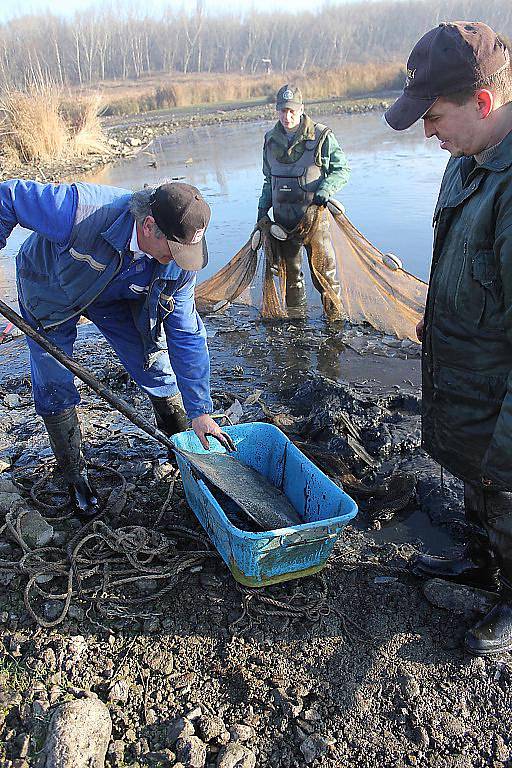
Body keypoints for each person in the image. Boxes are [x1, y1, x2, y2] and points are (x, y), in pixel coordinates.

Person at [385, 21, 512, 656]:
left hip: (501, 392)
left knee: (506, 483)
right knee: (475, 480)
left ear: (483, 103)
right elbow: (461, 262)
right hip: (465, 376)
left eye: (434, 117)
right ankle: (482, 561)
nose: (427, 132)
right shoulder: (466, 164)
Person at [0, 179, 234, 518]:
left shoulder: (180, 262)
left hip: (117, 294)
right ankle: (74, 475)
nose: (179, 260)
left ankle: (181, 441)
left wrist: (200, 410)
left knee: (153, 361)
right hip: (52, 287)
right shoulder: (82, 210)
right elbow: (9, 197)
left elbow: (185, 334)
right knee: (53, 378)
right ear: (149, 225)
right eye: (174, 249)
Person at [257, 84, 350, 312]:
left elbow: (342, 170)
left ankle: (335, 325)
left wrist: (326, 189)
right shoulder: (270, 140)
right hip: (283, 223)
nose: (287, 117)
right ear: (277, 111)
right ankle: (296, 327)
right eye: (282, 111)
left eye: (291, 111)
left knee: (325, 275)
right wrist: (262, 210)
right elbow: (269, 180)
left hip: (315, 219)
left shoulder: (321, 136)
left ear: (301, 109)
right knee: (291, 277)